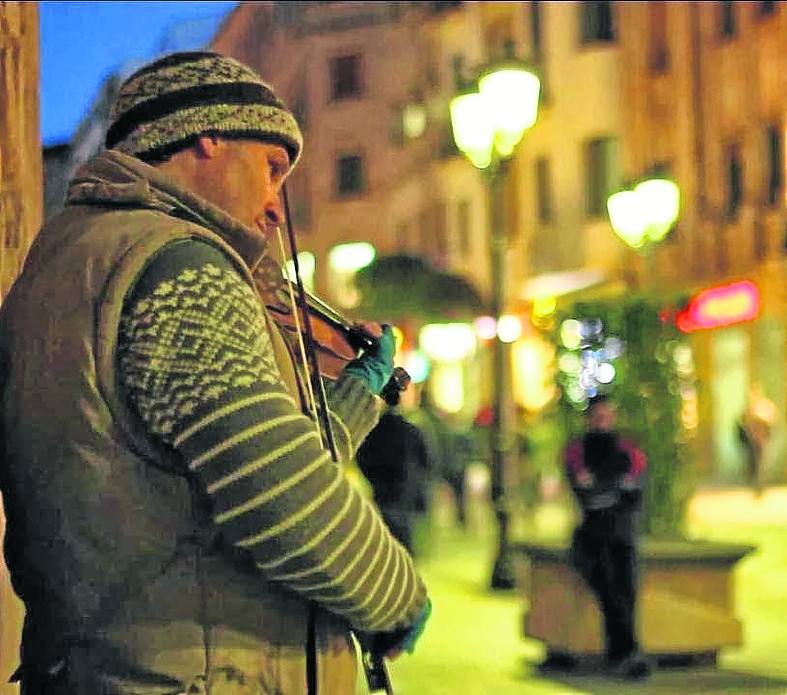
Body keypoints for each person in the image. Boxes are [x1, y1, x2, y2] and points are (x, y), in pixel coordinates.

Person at [0, 51, 430, 695]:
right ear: (208, 135)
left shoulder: (70, 258)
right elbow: (283, 501)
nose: (276, 206)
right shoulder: (180, 269)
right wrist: (398, 597)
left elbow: (217, 474)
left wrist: (352, 400)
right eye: (271, 168)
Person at [563, 395, 650, 680]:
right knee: (610, 591)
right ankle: (627, 653)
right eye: (597, 415)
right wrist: (612, 491)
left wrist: (606, 491)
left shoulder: (627, 449)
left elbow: (633, 490)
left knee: (626, 590)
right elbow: (586, 494)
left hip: (622, 533)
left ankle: (626, 653)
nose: (602, 419)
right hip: (592, 538)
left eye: (607, 414)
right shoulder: (578, 450)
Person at [355, 403, 434, 555]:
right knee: (405, 528)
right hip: (407, 488)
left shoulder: (374, 433)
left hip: (382, 489)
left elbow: (362, 457)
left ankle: (394, 559)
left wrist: (372, 478)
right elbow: (427, 459)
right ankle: (406, 562)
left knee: (388, 529)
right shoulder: (410, 430)